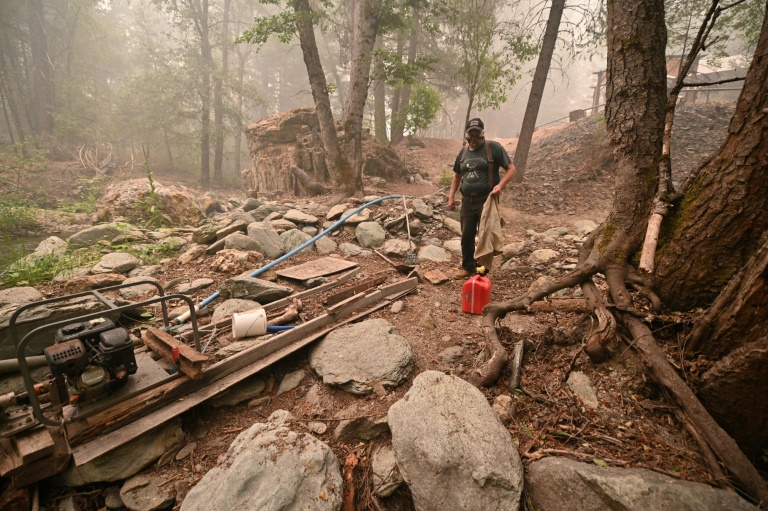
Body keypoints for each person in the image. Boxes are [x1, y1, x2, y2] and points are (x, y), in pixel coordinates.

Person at [448, 117, 516, 277]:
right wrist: (451, 197)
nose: (473, 137)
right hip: (467, 201)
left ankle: (481, 271)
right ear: (467, 134)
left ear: (482, 132)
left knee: (485, 236)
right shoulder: (463, 152)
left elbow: (511, 168)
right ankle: (468, 268)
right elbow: (457, 176)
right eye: (470, 133)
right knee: (467, 236)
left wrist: (500, 186)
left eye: (477, 133)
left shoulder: (493, 147)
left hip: (486, 200)